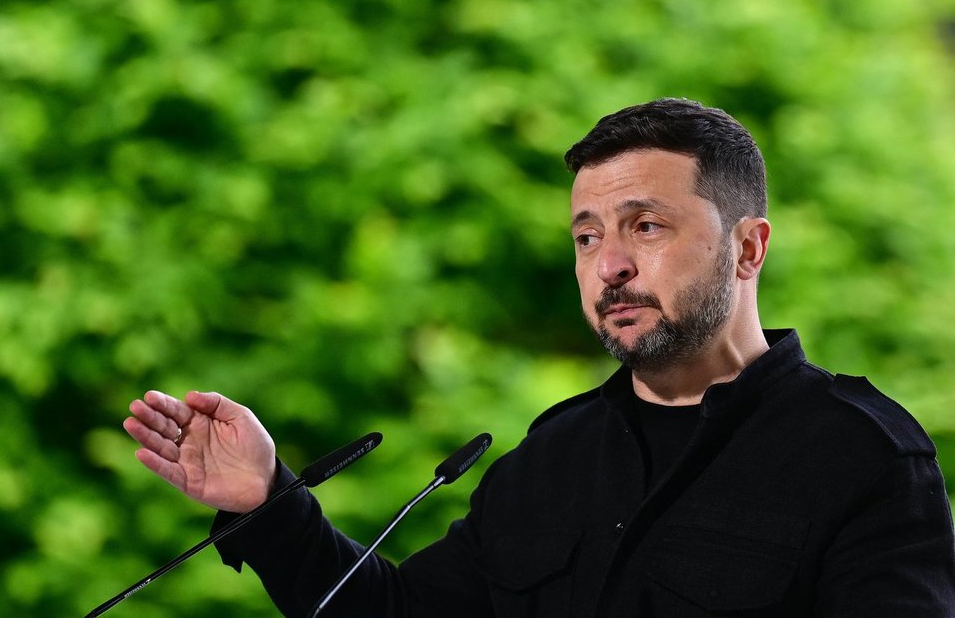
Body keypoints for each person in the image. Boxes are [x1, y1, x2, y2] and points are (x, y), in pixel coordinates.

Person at [123, 98, 955, 617]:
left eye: (646, 226)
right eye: (587, 237)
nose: (609, 265)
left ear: (747, 248)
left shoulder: (863, 455)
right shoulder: (550, 457)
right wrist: (269, 500)